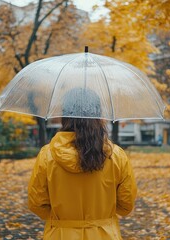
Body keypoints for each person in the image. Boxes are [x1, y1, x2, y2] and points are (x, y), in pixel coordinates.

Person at [28, 88, 137, 239]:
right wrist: (104, 214)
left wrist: (61, 218)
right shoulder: (116, 155)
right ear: (98, 115)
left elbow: (36, 203)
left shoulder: (47, 155)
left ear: (65, 115)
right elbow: (126, 205)